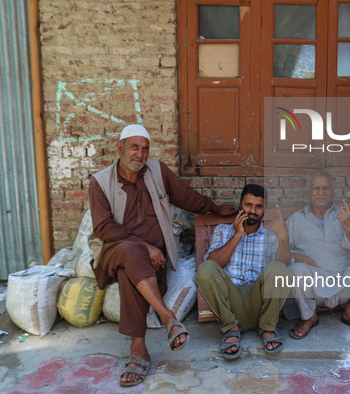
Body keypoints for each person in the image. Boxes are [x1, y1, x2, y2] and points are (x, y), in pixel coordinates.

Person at [88, 124, 236, 386]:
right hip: (113, 250)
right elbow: (103, 228)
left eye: (145, 149)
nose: (140, 154)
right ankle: (168, 317)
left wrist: (215, 208)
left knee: (128, 271)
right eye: (134, 147)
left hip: (149, 263)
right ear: (119, 147)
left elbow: (187, 197)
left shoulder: (157, 171)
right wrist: (145, 246)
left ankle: (139, 350)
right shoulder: (100, 182)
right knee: (130, 251)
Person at [195, 184, 292, 359]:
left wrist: (283, 238)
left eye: (259, 206)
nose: (253, 211)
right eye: (248, 205)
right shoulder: (223, 231)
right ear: (241, 205)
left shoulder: (270, 237)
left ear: (264, 210)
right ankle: (231, 328)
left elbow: (283, 267)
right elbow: (213, 263)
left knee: (278, 269)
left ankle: (268, 327)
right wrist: (238, 235)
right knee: (205, 269)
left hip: (258, 301)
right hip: (230, 302)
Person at [287, 171, 350, 339]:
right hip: (313, 287)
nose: (321, 193)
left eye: (326, 188)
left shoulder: (345, 215)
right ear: (308, 191)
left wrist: (349, 226)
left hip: (344, 282)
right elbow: (280, 252)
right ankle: (309, 317)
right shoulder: (296, 219)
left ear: (333, 190)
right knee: (296, 269)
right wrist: (298, 256)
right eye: (316, 188)